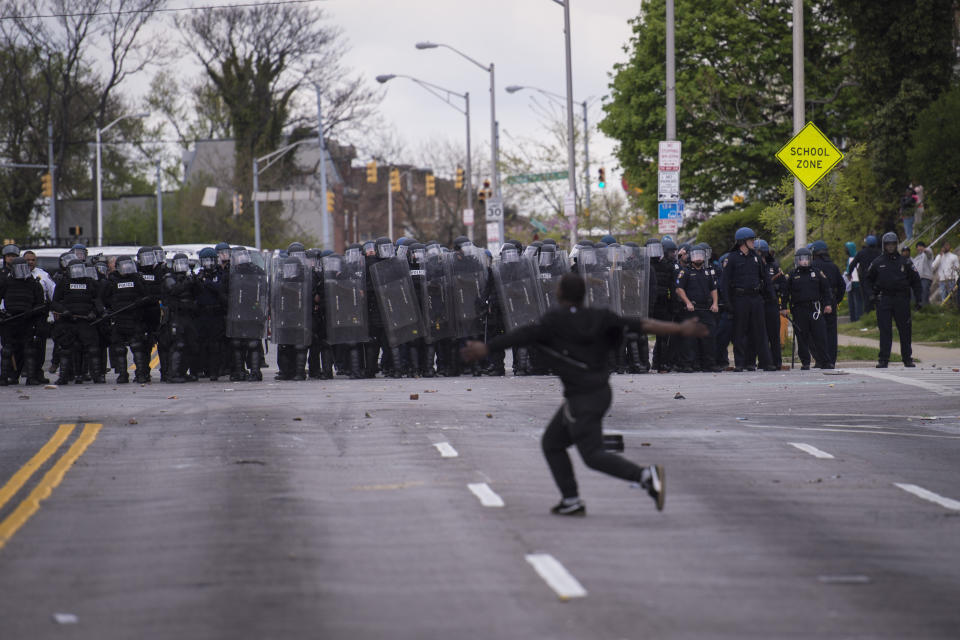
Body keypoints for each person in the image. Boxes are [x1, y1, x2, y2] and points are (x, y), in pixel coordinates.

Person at [460, 273, 708, 516]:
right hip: (599, 392)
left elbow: (521, 335)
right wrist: (679, 329)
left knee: (592, 455)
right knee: (553, 443)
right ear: (583, 295)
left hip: (583, 398)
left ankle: (644, 476)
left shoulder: (553, 321)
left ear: (559, 294)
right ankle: (571, 500)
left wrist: (487, 347)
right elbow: (643, 324)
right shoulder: (601, 316)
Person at [718, 227, 776, 372]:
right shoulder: (731, 258)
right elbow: (724, 284)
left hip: (755, 298)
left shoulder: (756, 257)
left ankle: (760, 362)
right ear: (743, 242)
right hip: (740, 299)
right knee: (740, 332)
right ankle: (740, 363)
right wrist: (728, 303)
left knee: (759, 331)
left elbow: (766, 279)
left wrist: (772, 296)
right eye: (751, 240)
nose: (753, 243)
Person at [864, 232, 922, 368]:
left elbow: (916, 281)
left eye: (893, 244)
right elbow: (867, 280)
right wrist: (871, 295)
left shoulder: (905, 262)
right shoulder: (878, 262)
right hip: (884, 299)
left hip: (902, 299)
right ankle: (883, 359)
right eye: (888, 244)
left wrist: (919, 299)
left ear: (896, 245)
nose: (890, 247)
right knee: (885, 330)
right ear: (884, 245)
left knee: (905, 330)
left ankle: (907, 358)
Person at [781, 248, 834, 370]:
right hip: (799, 309)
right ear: (797, 260)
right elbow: (785, 292)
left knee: (820, 336)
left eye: (806, 259)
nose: (804, 262)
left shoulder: (816, 272)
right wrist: (783, 307)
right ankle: (805, 362)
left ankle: (825, 361)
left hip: (815, 308)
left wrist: (828, 304)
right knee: (802, 336)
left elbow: (826, 289)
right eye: (802, 259)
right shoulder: (793, 275)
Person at [101, 256, 149, 384]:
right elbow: (104, 299)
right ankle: (122, 374)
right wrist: (110, 309)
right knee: (119, 349)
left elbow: (145, 295)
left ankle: (140, 374)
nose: (127, 268)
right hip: (119, 319)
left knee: (137, 347)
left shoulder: (137, 278)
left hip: (134, 318)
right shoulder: (112, 281)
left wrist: (139, 304)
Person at [0, 257, 46, 385]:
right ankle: (5, 377)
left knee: (29, 350)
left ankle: (31, 377)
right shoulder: (6, 282)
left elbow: (41, 304)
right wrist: (2, 313)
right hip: (10, 320)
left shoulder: (34, 284)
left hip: (27, 321)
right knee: (7, 350)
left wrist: (33, 312)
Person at [674, 245, 718, 372]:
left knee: (708, 337)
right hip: (691, 310)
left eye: (700, 255)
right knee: (689, 339)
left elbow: (713, 289)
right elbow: (679, 289)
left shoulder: (708, 272)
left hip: (706, 309)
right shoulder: (685, 272)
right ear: (691, 257)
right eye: (695, 255)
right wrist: (687, 302)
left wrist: (715, 303)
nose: (698, 257)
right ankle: (688, 364)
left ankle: (708, 364)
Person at [811, 240, 844, 368]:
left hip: (816, 303)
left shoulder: (813, 266)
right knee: (831, 333)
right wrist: (836, 300)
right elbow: (842, 286)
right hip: (831, 302)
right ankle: (831, 360)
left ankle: (820, 360)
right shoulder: (833, 266)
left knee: (817, 332)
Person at [847, 235, 881, 314]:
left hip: (865, 278)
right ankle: (878, 312)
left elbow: (853, 264)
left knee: (867, 297)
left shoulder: (861, 253)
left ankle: (868, 314)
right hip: (877, 277)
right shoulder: (879, 253)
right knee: (878, 295)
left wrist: (849, 274)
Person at [912, 241, 934, 307]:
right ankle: (916, 308)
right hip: (917, 279)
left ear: (924, 247)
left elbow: (929, 253)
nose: (919, 248)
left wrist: (925, 250)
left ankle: (925, 308)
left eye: (920, 246)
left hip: (926, 277)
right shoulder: (916, 258)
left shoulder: (927, 253)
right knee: (915, 294)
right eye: (917, 247)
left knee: (924, 293)